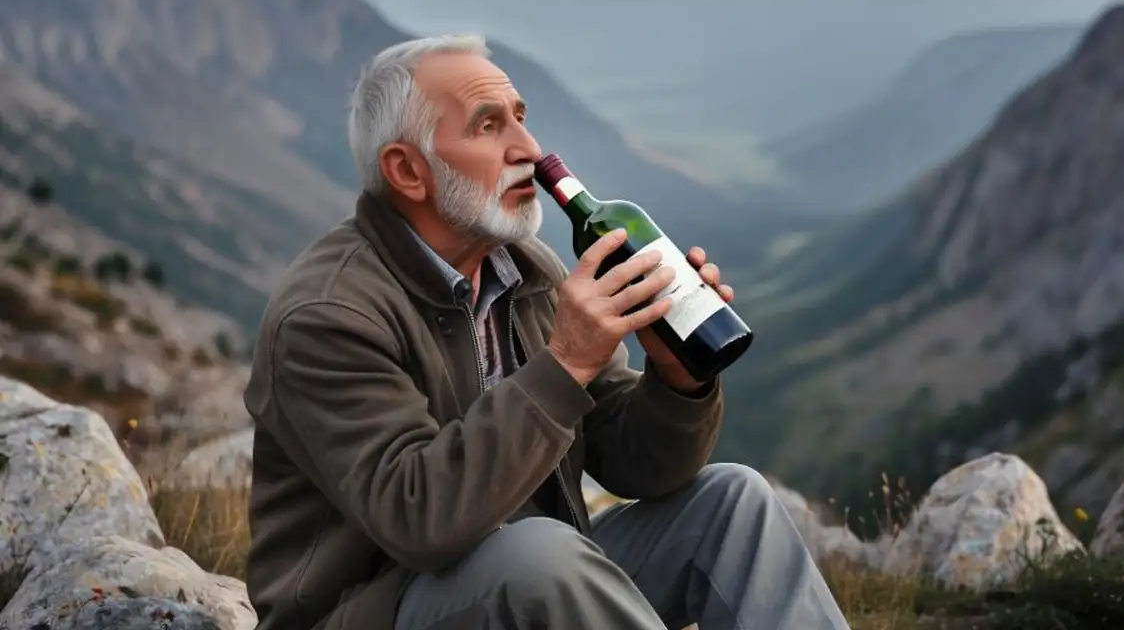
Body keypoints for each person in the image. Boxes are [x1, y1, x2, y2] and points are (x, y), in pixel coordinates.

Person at [242, 34, 851, 630]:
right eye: (488, 126)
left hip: (534, 582)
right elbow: (417, 517)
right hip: (379, 610)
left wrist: (675, 380)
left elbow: (635, 465)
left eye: (520, 119)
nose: (529, 148)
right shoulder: (328, 316)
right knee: (537, 557)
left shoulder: (525, 270)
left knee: (732, 503)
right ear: (407, 170)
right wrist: (563, 366)